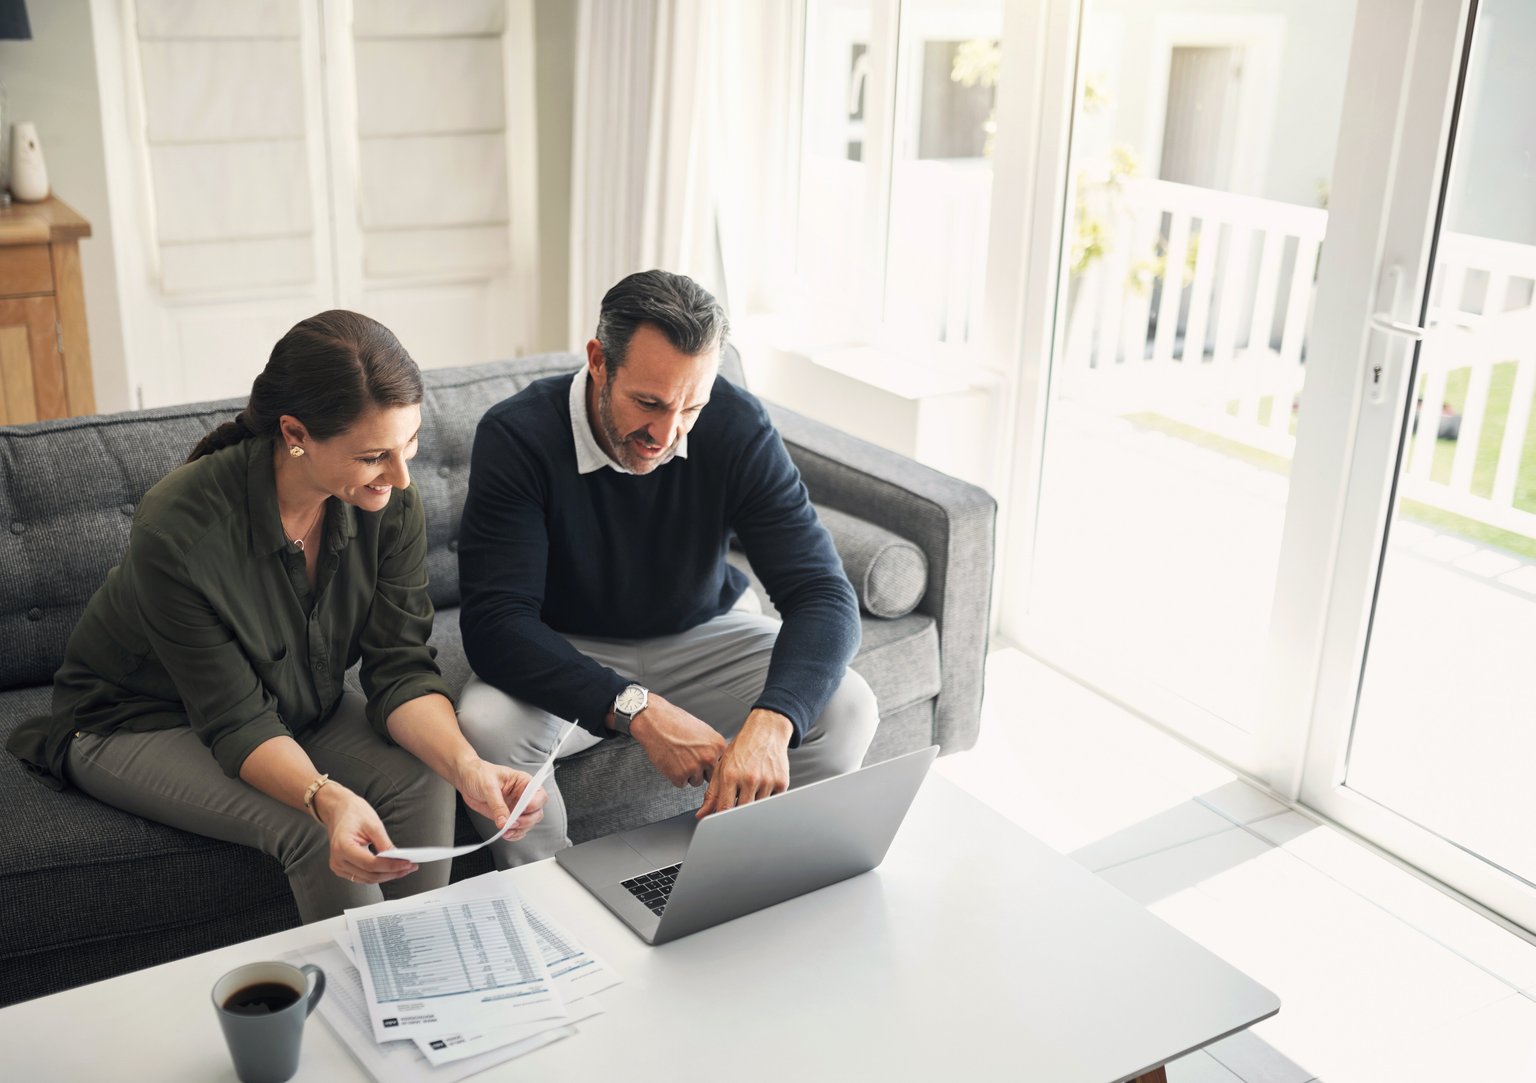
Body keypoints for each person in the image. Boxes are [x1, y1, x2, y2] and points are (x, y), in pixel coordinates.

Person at [6, 310, 545, 922]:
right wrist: (326, 797)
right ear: (295, 433)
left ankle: (416, 990)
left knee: (426, 777)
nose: (399, 477)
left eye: (410, 445)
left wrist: (468, 766)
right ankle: (366, 1000)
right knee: (316, 830)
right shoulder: (180, 527)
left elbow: (400, 669)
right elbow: (236, 718)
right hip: (135, 718)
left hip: (286, 699)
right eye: (374, 456)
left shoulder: (388, 501)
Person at [456, 269, 879, 867]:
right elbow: (496, 625)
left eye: (691, 407)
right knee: (485, 725)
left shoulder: (737, 425)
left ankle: (747, 877)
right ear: (599, 360)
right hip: (564, 643)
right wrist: (637, 707)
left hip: (702, 631)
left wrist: (773, 720)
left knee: (847, 706)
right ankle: (549, 901)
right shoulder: (518, 435)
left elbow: (821, 593)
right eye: (648, 403)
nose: (666, 433)